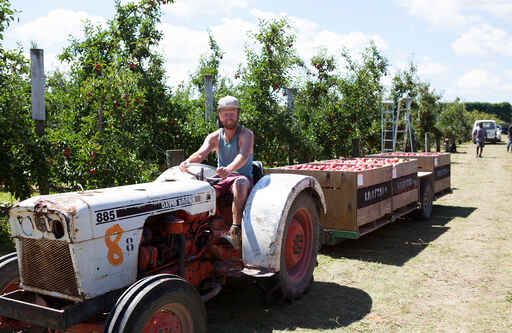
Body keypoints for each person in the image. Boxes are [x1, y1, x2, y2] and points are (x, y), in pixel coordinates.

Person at [179, 96, 254, 250]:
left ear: (238, 114)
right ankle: (199, 230)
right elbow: (200, 154)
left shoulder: (246, 134)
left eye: (232, 113)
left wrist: (229, 169)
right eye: (225, 113)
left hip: (241, 176)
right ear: (220, 116)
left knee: (239, 184)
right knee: (201, 190)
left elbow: (243, 155)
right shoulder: (214, 136)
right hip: (221, 177)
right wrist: (186, 163)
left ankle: (235, 231)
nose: (229, 116)